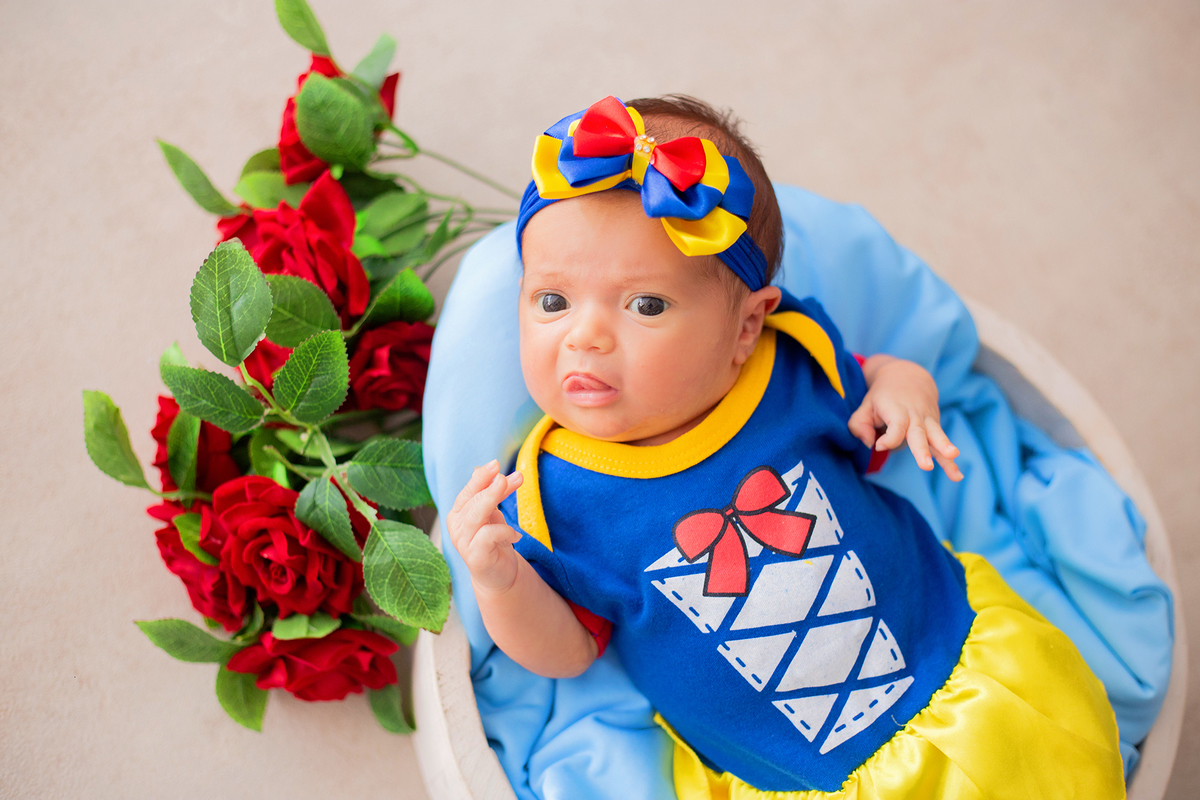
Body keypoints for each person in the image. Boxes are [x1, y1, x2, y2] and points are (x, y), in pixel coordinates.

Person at [446, 95, 1124, 798]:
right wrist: (500, 581)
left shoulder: (788, 365)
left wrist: (905, 387)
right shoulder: (554, 495)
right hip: (800, 774)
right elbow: (568, 652)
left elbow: (875, 394)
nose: (583, 336)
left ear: (746, 327)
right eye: (551, 301)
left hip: (959, 665)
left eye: (645, 305)